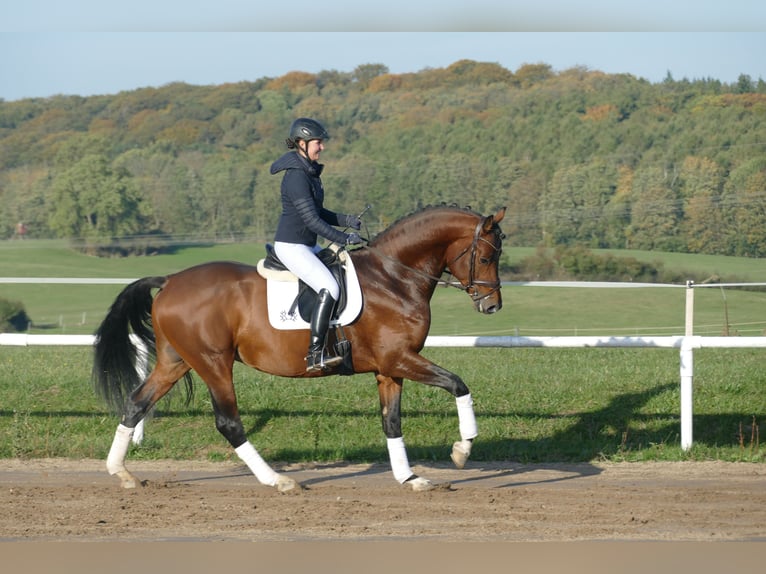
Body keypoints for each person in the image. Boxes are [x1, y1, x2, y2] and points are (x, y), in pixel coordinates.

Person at [270, 118, 363, 373]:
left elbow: (319, 212)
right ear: (302, 143)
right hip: (292, 247)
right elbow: (311, 220)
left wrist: (346, 220)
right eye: (317, 143)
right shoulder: (296, 177)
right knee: (329, 286)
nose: (321, 147)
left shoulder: (309, 172)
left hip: (305, 245)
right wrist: (343, 238)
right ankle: (315, 355)